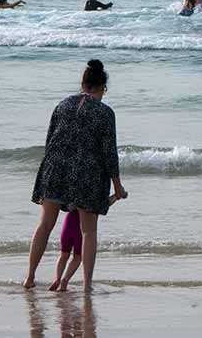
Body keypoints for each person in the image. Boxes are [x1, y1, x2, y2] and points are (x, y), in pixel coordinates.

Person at [24, 59, 127, 292]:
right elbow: (109, 154)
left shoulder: (62, 105)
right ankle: (87, 285)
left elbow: (50, 140)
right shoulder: (105, 113)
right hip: (87, 175)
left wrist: (45, 173)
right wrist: (117, 186)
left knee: (45, 225)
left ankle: (29, 277)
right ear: (102, 88)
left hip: (54, 169)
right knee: (88, 231)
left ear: (83, 84)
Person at [48, 194, 122, 291]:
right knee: (77, 257)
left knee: (63, 255)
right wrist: (117, 195)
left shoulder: (78, 192)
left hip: (68, 225)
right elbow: (105, 204)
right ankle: (65, 280)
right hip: (82, 230)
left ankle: (57, 279)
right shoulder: (94, 199)